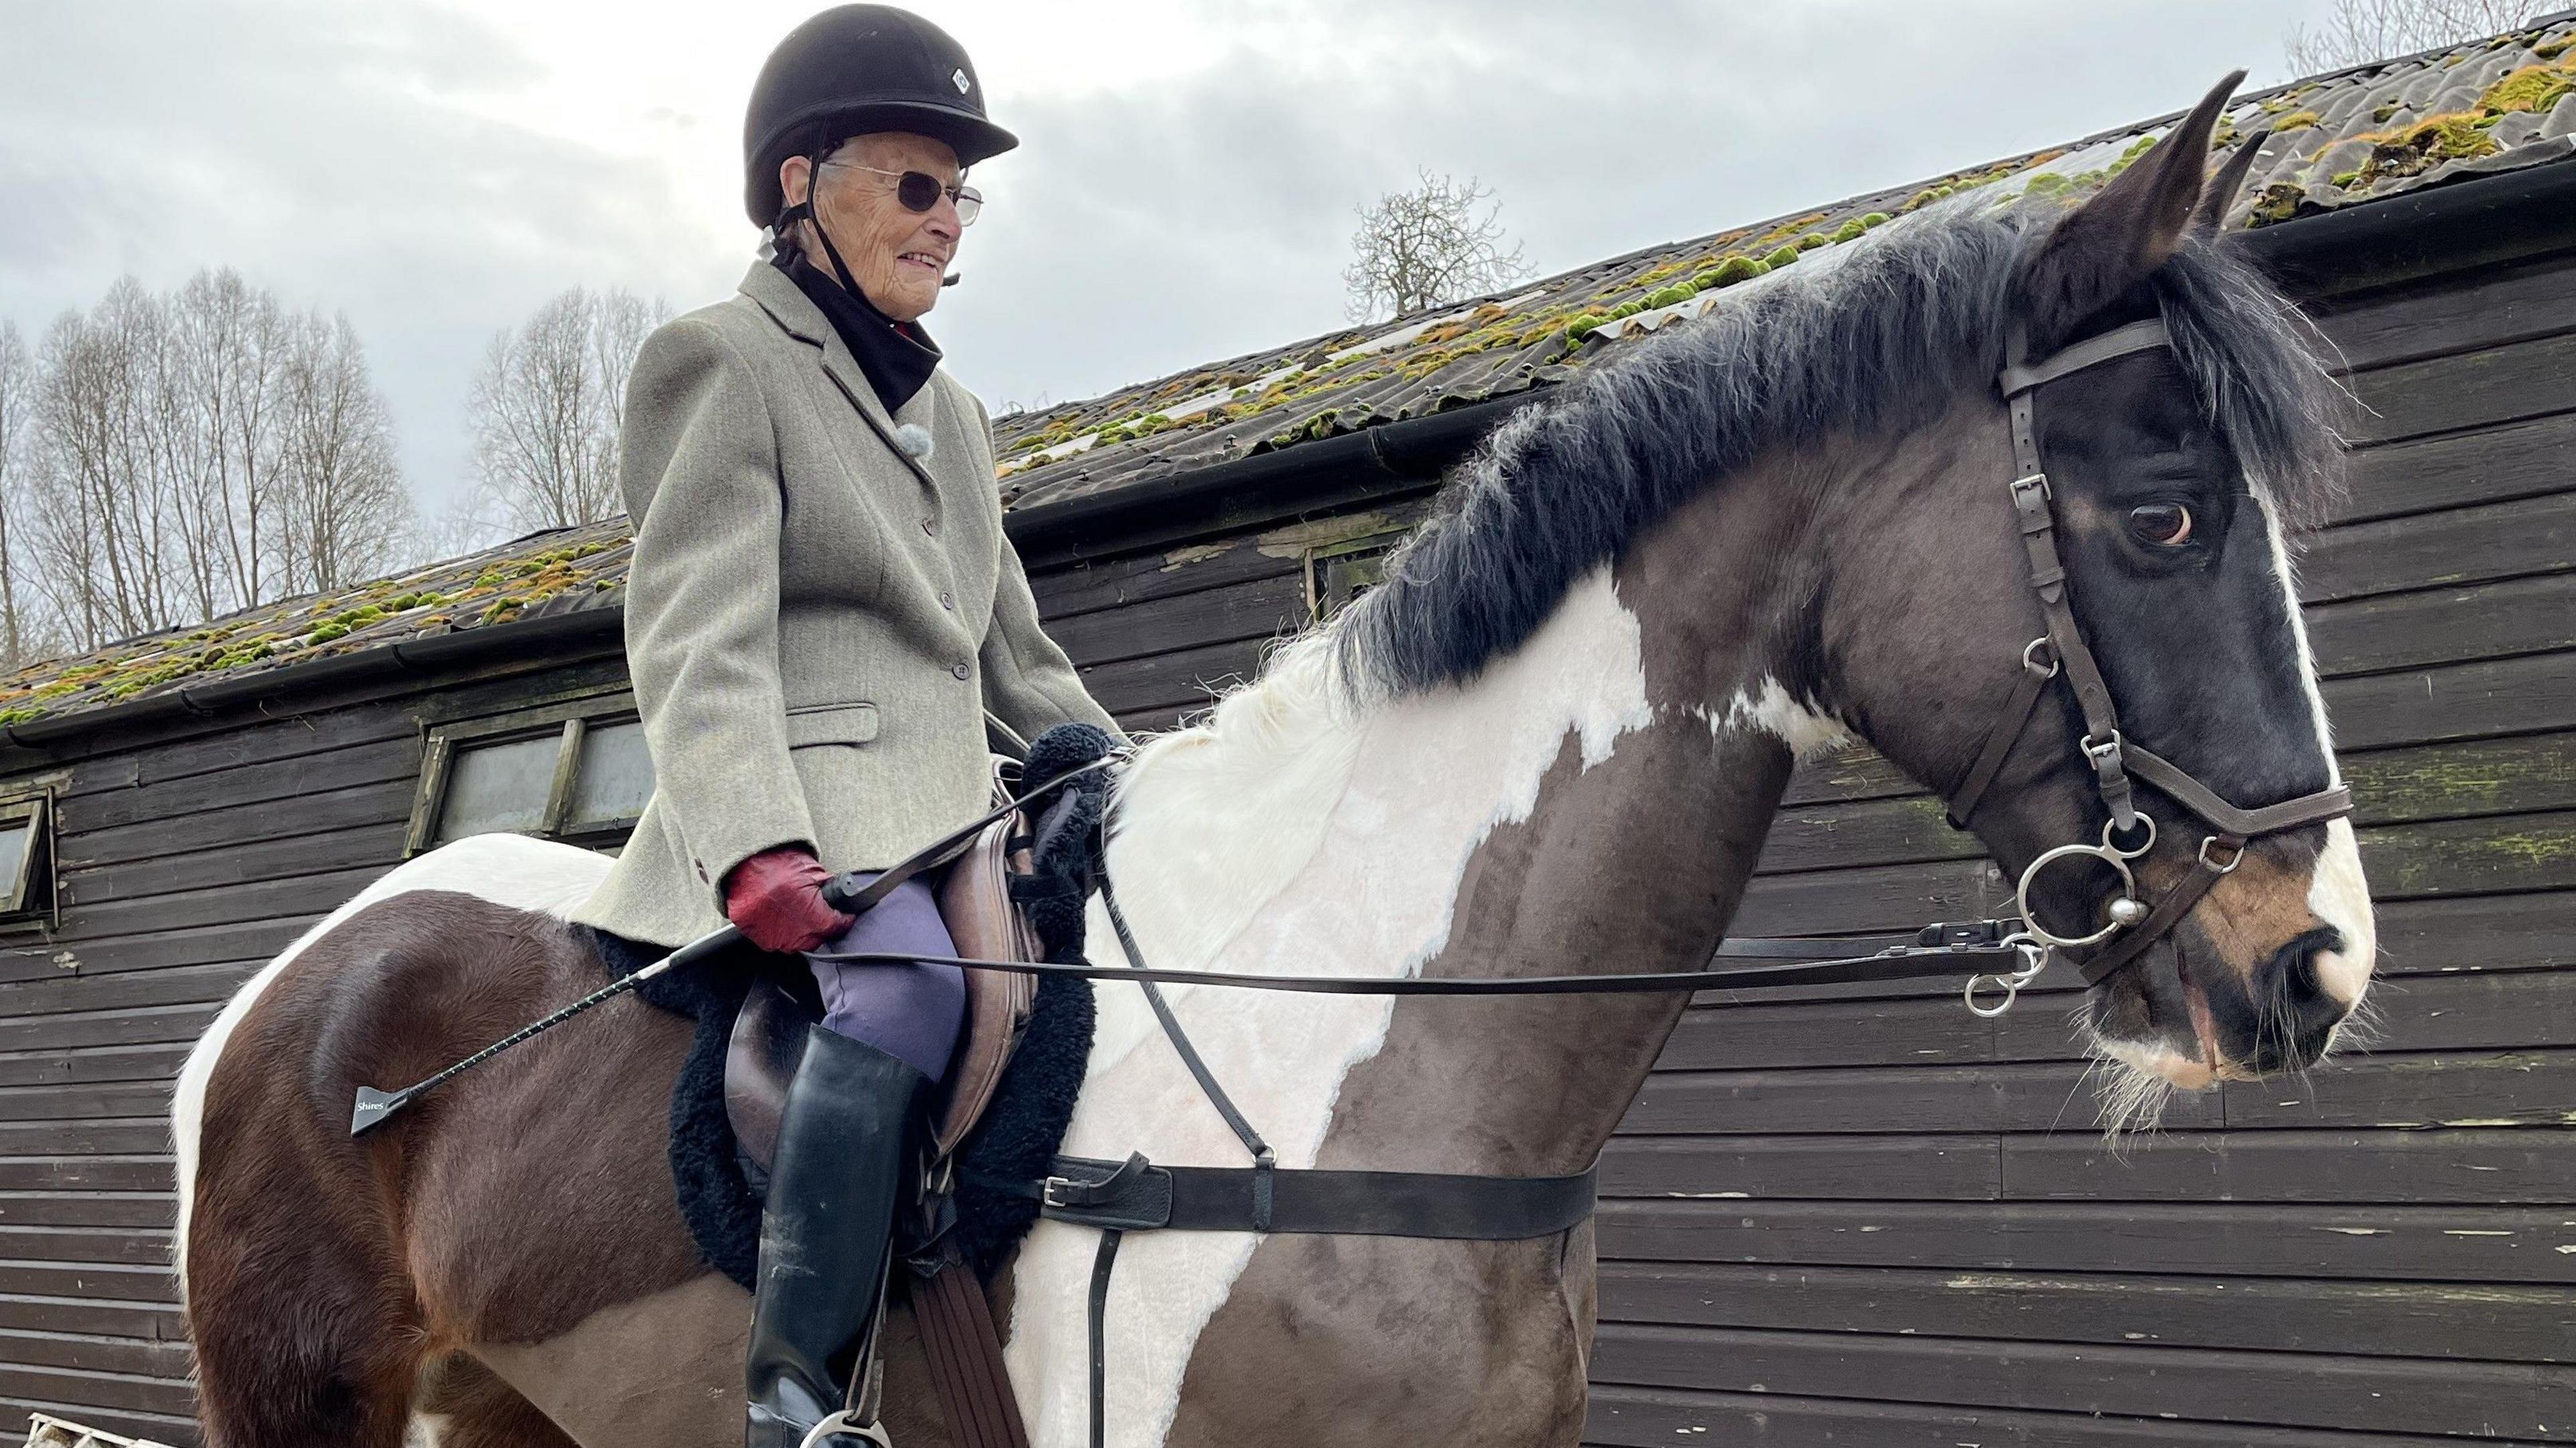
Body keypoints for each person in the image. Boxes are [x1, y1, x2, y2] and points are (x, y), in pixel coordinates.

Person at [566, 7, 1122, 1444]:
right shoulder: (721, 361)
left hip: (961, 809)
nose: (949, 224)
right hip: (813, 813)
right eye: (918, 184)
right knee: (910, 993)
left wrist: (1122, 773)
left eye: (964, 195)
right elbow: (698, 630)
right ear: (803, 184)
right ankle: (795, 1391)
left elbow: (1015, 656)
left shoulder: (964, 419)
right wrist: (754, 836)